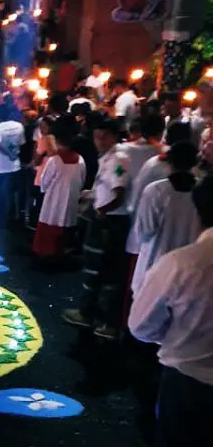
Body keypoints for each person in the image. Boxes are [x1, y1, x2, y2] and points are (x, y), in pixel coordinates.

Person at [128, 176, 213, 447]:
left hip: (189, 381)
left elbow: (141, 326)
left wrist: (172, 333)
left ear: (198, 214)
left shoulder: (183, 264)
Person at [63, 118, 130, 340]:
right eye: (96, 136)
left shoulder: (118, 159)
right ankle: (89, 313)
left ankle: (101, 319)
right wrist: (92, 196)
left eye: (104, 136)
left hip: (109, 222)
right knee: (98, 268)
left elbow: (119, 193)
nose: (99, 141)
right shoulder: (108, 157)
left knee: (102, 270)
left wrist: (102, 210)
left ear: (114, 136)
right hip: (106, 218)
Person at [129, 141, 201, 294]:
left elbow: (144, 231)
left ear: (169, 162)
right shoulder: (202, 192)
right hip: (186, 267)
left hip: (155, 261)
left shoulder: (156, 191)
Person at [33, 122, 86, 261]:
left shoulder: (55, 160)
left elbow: (45, 181)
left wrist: (44, 190)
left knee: (50, 224)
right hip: (71, 199)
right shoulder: (80, 159)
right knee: (66, 225)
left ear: (56, 140)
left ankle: (47, 254)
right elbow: (82, 179)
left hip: (53, 199)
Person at [0, 101, 25, 227]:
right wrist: (13, 153)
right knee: (13, 194)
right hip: (15, 166)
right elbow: (21, 143)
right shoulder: (19, 126)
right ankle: (12, 219)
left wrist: (8, 153)